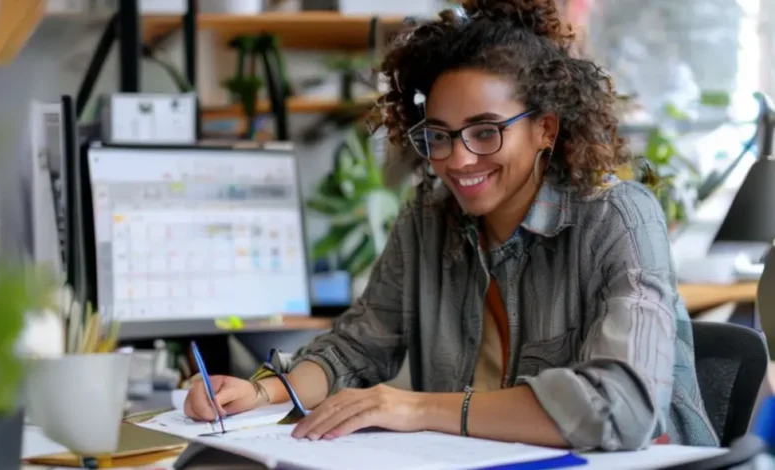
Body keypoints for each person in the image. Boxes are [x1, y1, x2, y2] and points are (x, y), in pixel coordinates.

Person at [185, 0, 719, 450]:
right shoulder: (427, 219)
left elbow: (616, 408)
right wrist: (262, 394)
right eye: (439, 135)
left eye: (485, 132)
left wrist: (418, 409)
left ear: (545, 129)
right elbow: (357, 348)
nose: (459, 160)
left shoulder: (619, 217)